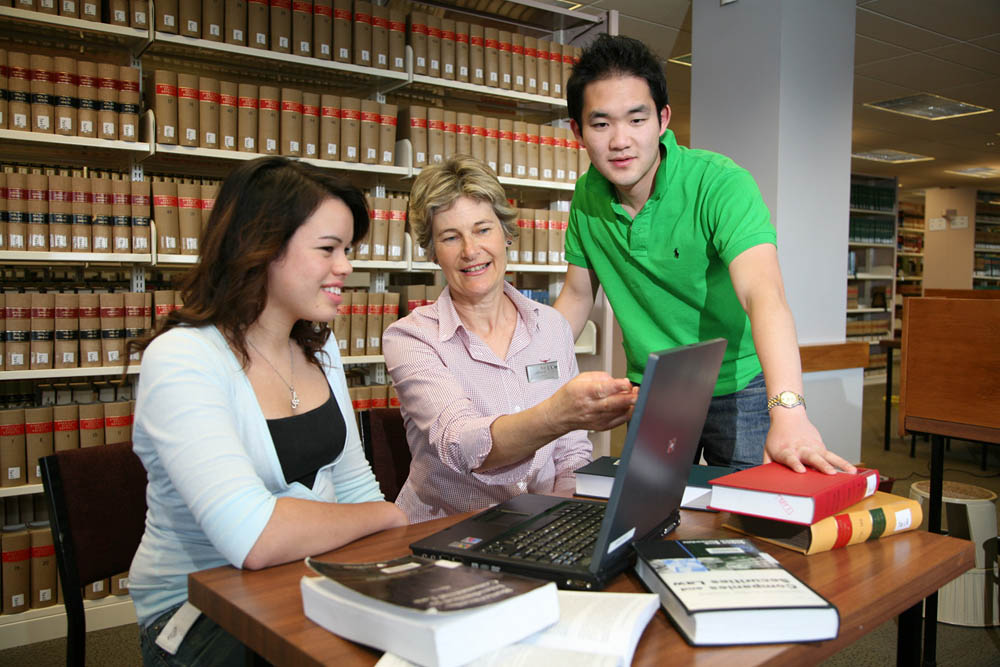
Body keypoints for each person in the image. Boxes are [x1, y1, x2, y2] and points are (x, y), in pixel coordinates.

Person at [127, 156, 407, 666]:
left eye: (347, 250)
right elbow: (253, 537)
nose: (345, 266)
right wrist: (386, 515)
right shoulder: (183, 358)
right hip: (200, 611)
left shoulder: (320, 349)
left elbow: (352, 483)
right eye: (328, 249)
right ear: (263, 246)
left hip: (308, 576)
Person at [554, 34, 854, 475]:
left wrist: (788, 411)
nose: (620, 140)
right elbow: (577, 297)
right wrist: (525, 377)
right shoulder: (587, 196)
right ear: (578, 132)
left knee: (752, 521)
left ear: (662, 119)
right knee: (643, 519)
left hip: (739, 386)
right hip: (655, 391)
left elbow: (763, 293)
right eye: (601, 124)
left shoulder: (720, 184)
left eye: (636, 120)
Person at [382, 155, 637, 523]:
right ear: (432, 251)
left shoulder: (551, 327)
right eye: (451, 237)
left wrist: (562, 519)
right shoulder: (411, 338)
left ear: (507, 234)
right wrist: (557, 414)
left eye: (483, 229)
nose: (471, 250)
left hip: (542, 526)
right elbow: (462, 443)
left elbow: (571, 452)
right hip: (449, 533)